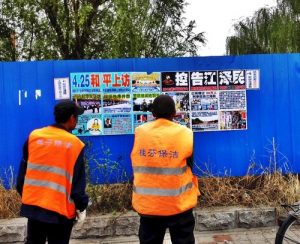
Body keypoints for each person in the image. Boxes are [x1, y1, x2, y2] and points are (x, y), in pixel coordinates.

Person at [16, 100, 89, 244]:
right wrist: (82, 206)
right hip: (59, 212)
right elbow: (77, 185)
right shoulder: (74, 145)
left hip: (34, 208)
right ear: (71, 118)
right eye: (77, 117)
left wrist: (27, 197)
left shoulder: (34, 137)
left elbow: (22, 175)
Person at [131, 94, 200, 244]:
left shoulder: (140, 132)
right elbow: (190, 165)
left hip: (149, 206)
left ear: (153, 113)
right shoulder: (185, 134)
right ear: (174, 113)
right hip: (179, 204)